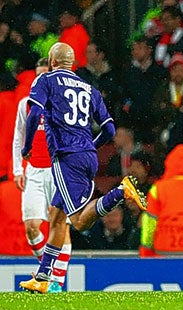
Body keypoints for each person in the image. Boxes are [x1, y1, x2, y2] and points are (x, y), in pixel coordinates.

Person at [18, 42, 147, 294]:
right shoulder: (89, 88)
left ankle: (119, 193)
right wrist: (90, 145)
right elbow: (109, 129)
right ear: (72, 64)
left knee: (78, 221)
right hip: (87, 155)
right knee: (57, 216)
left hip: (67, 157)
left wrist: (26, 148)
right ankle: (44, 276)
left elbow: (34, 115)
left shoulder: (45, 81)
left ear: (53, 62)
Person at [12, 57, 72, 293]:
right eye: (37, 75)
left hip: (59, 171)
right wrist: (18, 169)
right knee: (32, 227)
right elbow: (19, 137)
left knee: (60, 227)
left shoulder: (65, 103)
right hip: (34, 171)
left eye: (45, 74)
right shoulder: (26, 104)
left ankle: (55, 283)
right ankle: (45, 272)